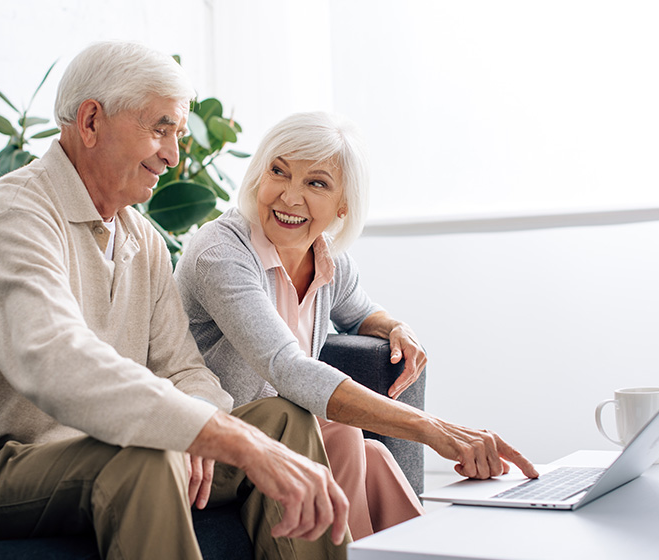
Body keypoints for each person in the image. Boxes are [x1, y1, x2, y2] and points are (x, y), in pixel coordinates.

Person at [0, 43, 351, 559]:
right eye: (160, 129)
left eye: (178, 136)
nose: (172, 155)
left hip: (86, 453)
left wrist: (197, 420)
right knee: (142, 459)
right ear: (90, 122)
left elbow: (182, 368)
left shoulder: (141, 240)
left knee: (284, 422)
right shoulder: (12, 218)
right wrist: (216, 434)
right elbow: (58, 362)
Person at [174, 111, 540, 539]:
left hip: (287, 439)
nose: (289, 198)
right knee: (345, 435)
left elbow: (361, 312)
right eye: (279, 172)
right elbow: (287, 367)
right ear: (259, 175)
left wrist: (393, 326)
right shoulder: (221, 253)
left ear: (342, 204)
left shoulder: (327, 259)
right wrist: (433, 430)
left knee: (376, 458)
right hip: (210, 446)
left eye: (316, 183)